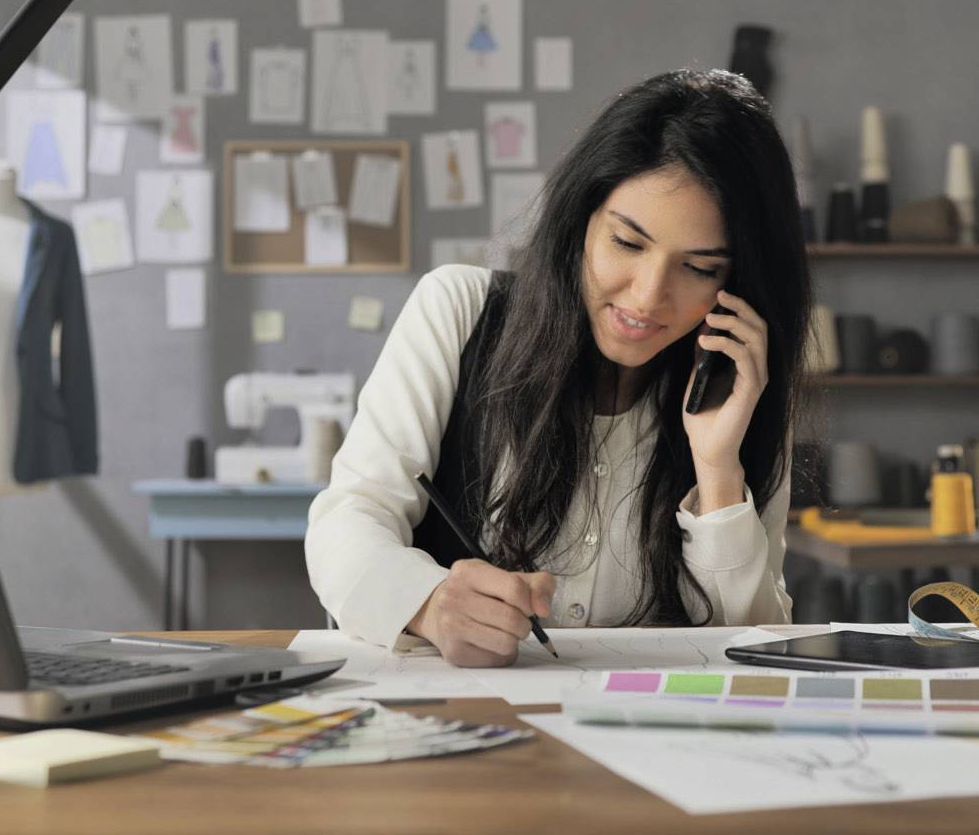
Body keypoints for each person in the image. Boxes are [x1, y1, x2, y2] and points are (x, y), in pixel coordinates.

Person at [306, 69, 813, 667]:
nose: (649, 297)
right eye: (627, 243)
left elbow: (754, 644)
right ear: (580, 223)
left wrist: (718, 468)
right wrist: (429, 603)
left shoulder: (740, 381)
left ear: (737, 278)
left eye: (699, 268)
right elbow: (348, 522)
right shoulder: (459, 310)